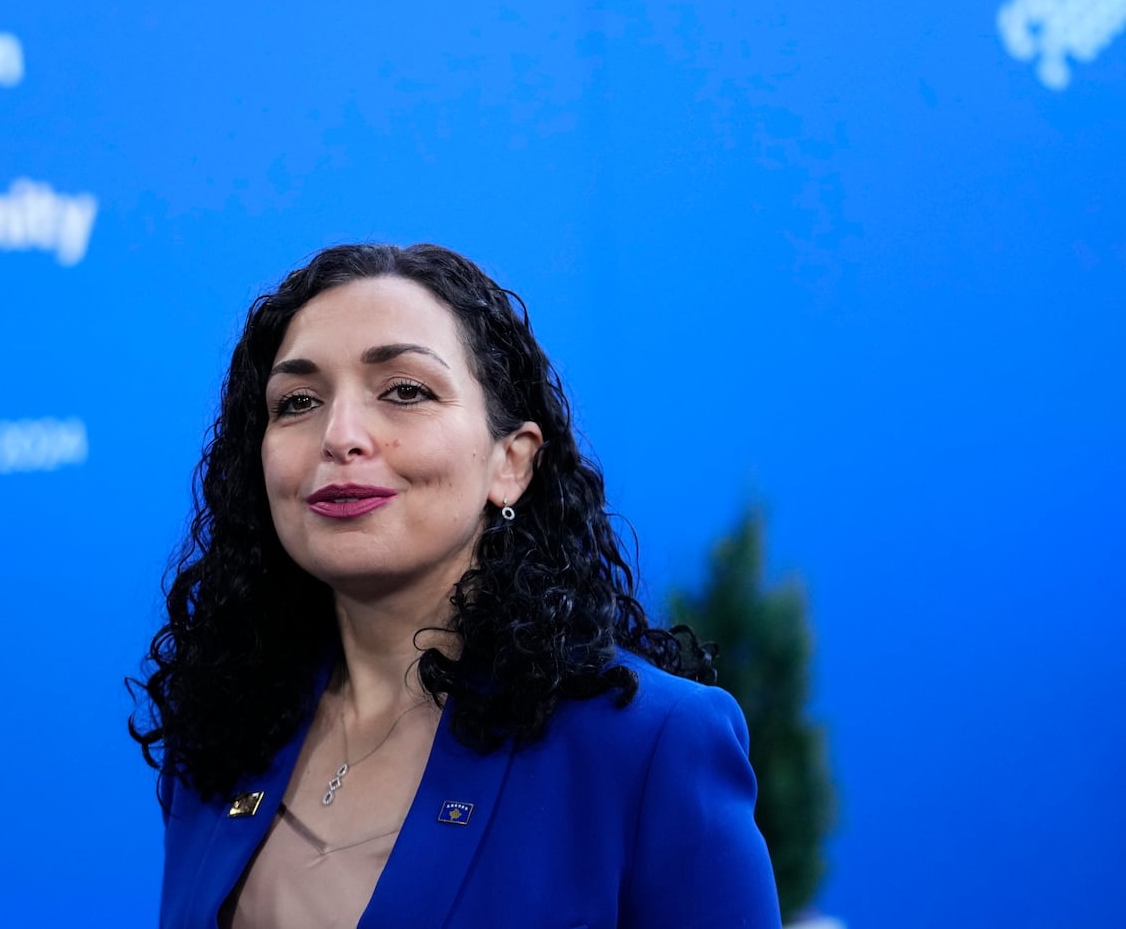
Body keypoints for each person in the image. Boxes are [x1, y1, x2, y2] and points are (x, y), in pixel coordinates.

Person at [130, 243, 780, 928]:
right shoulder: (226, 731)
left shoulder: (651, 745)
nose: (339, 435)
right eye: (298, 400)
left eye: (405, 390)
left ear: (512, 462)